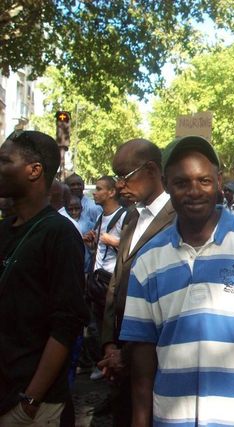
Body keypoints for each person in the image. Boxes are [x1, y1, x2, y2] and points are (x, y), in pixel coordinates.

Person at [119, 136, 234, 426]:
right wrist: (141, 419)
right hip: (171, 417)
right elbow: (142, 352)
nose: (194, 191)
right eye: (181, 183)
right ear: (167, 184)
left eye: (204, 181)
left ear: (219, 182)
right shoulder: (148, 260)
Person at [0, 130, 89, 426]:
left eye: (4, 160)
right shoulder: (4, 229)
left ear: (34, 170)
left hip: (34, 407)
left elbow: (67, 322)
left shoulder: (59, 233)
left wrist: (30, 401)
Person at [99, 138, 176, 426]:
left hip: (155, 359)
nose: (118, 186)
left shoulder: (178, 219)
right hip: (121, 352)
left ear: (153, 170)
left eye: (124, 176)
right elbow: (116, 283)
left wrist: (128, 354)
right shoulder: (132, 217)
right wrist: (108, 343)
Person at [83, 176, 126, 381]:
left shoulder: (124, 216)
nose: (95, 192)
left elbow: (132, 248)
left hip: (111, 281)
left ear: (111, 192)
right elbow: (98, 250)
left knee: (112, 327)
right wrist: (93, 244)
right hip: (96, 280)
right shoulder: (101, 217)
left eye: (99, 189)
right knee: (97, 327)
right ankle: (103, 364)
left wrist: (114, 241)